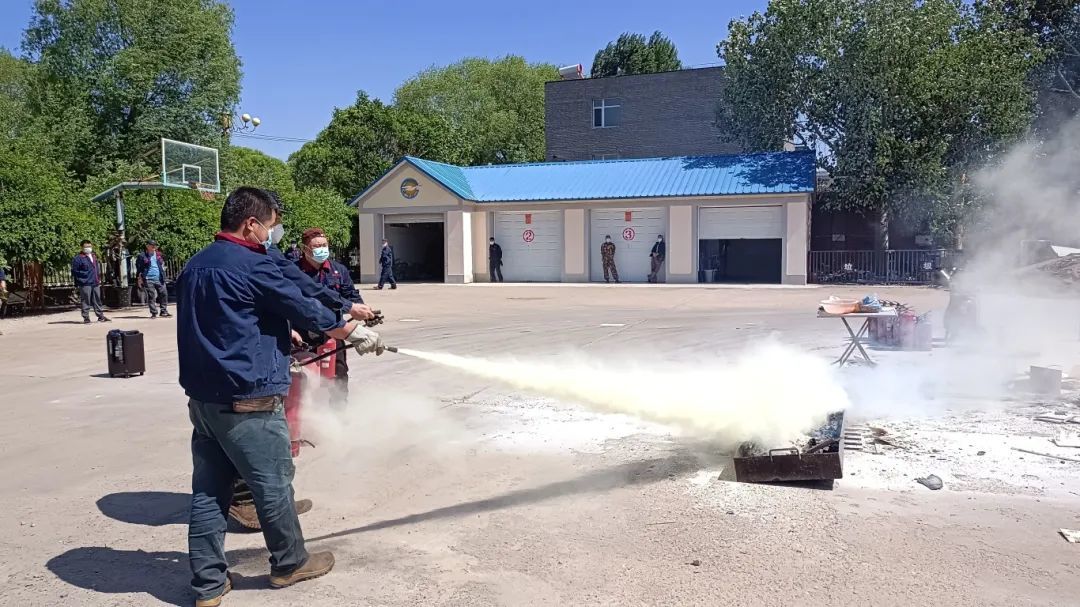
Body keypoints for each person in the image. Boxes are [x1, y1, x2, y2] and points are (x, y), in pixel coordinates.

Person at [177, 187, 385, 606]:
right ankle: (290, 564)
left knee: (208, 491)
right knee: (272, 484)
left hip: (203, 401)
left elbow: (230, 319)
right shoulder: (252, 265)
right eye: (271, 226)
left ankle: (208, 586)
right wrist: (349, 330)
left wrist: (287, 324)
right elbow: (297, 301)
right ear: (251, 224)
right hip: (249, 399)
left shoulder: (197, 264)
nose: (273, 234)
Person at [296, 227, 363, 404]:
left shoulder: (338, 271)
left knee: (339, 373)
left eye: (324, 245)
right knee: (304, 376)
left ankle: (338, 413)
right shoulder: (295, 272)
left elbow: (351, 296)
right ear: (305, 249)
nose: (321, 249)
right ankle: (305, 415)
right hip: (303, 334)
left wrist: (362, 309)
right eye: (316, 246)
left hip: (333, 331)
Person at [71, 240, 110, 324]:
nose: (88, 248)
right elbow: (74, 271)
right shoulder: (78, 258)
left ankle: (100, 316)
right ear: (82, 247)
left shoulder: (94, 256)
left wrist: (98, 278)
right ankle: (86, 318)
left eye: (89, 246)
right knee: (86, 300)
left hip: (95, 281)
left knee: (97, 299)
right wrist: (83, 278)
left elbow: (96, 268)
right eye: (86, 247)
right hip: (85, 283)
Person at [136, 239, 171, 318]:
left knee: (164, 294)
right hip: (148, 278)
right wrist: (139, 277)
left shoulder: (158, 254)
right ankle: (154, 312)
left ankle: (163, 311)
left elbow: (162, 264)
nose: (154, 247)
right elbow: (139, 267)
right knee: (151, 296)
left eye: (155, 245)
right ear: (147, 246)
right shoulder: (142, 256)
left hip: (159, 278)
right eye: (152, 245)